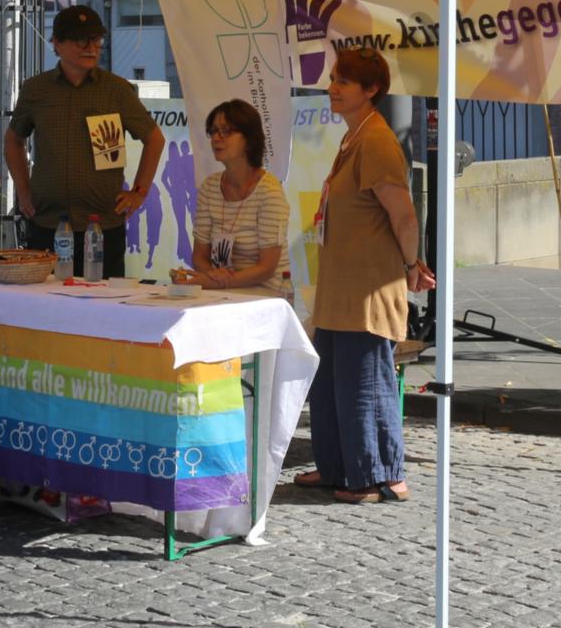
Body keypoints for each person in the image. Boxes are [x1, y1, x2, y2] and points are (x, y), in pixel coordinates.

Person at [295, 48, 434, 506]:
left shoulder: (375, 140)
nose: (332, 87)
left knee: (362, 382)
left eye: (343, 81)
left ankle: (375, 474)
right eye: (333, 79)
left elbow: (404, 216)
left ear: (370, 89)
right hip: (342, 285)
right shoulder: (353, 137)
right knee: (331, 382)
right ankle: (338, 466)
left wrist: (412, 265)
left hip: (367, 286)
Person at [4, 4, 166, 278]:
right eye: (81, 39)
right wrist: (22, 189)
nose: (91, 47)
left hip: (102, 225)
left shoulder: (117, 90)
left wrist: (139, 192)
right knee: (47, 308)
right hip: (48, 223)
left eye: (97, 39)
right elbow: (13, 139)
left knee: (103, 311)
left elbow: (154, 138)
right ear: (56, 43)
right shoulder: (36, 90)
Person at [182, 99, 289, 290]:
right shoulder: (209, 187)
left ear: (249, 139)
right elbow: (199, 256)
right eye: (213, 131)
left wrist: (217, 282)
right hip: (221, 292)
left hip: (265, 294)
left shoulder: (269, 192)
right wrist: (214, 276)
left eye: (226, 131)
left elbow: (267, 268)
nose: (216, 138)